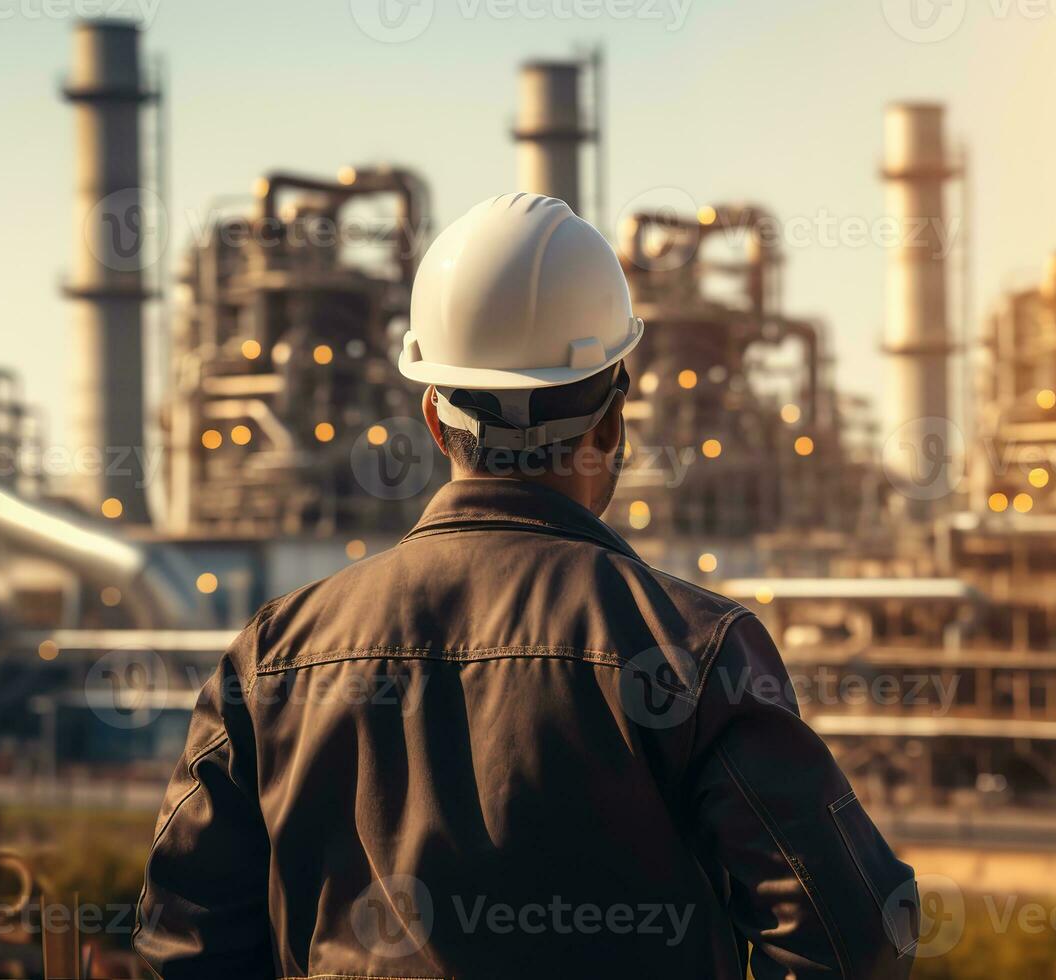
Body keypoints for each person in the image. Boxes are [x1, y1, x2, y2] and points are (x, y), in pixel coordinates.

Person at [134, 193, 919, 979]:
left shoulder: (273, 658)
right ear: (612, 425)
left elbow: (183, 941)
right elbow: (856, 933)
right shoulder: (692, 651)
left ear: (435, 421)